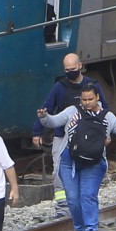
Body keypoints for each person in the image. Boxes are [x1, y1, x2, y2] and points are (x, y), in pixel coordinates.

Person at [39, 85, 116, 231]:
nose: (87, 103)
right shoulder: (71, 111)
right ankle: (80, 229)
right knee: (72, 199)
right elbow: (53, 122)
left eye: (90, 99)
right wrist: (44, 117)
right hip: (69, 161)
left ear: (97, 98)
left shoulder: (106, 116)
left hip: (94, 162)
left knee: (88, 195)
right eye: (84, 99)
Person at [35, 54, 108, 209]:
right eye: (67, 70)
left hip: (88, 137)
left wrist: (105, 133)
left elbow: (105, 110)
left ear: (80, 66)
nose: (70, 72)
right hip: (62, 136)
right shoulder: (59, 87)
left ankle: (81, 202)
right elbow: (47, 108)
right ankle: (62, 203)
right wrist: (37, 131)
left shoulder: (92, 85)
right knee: (59, 169)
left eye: (73, 69)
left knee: (86, 168)